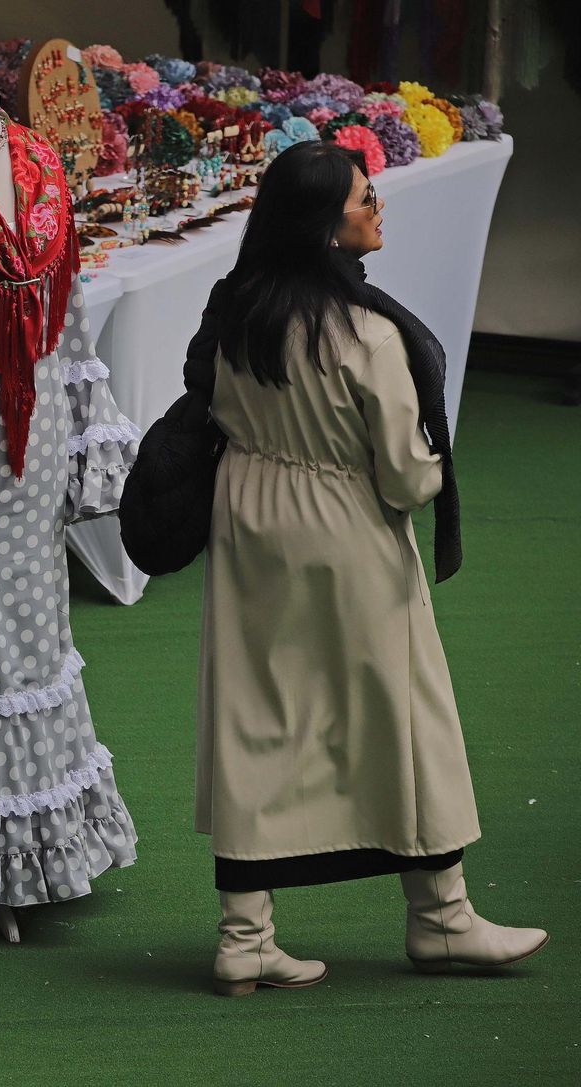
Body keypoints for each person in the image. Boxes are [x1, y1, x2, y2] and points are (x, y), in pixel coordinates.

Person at [191, 140, 548, 997]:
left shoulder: (236, 312)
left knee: (255, 713)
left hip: (250, 517)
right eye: (364, 199)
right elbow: (404, 475)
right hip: (346, 526)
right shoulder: (368, 334)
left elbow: (208, 405)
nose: (377, 207)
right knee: (404, 708)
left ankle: (245, 937)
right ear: (325, 226)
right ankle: (443, 916)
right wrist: (431, 465)